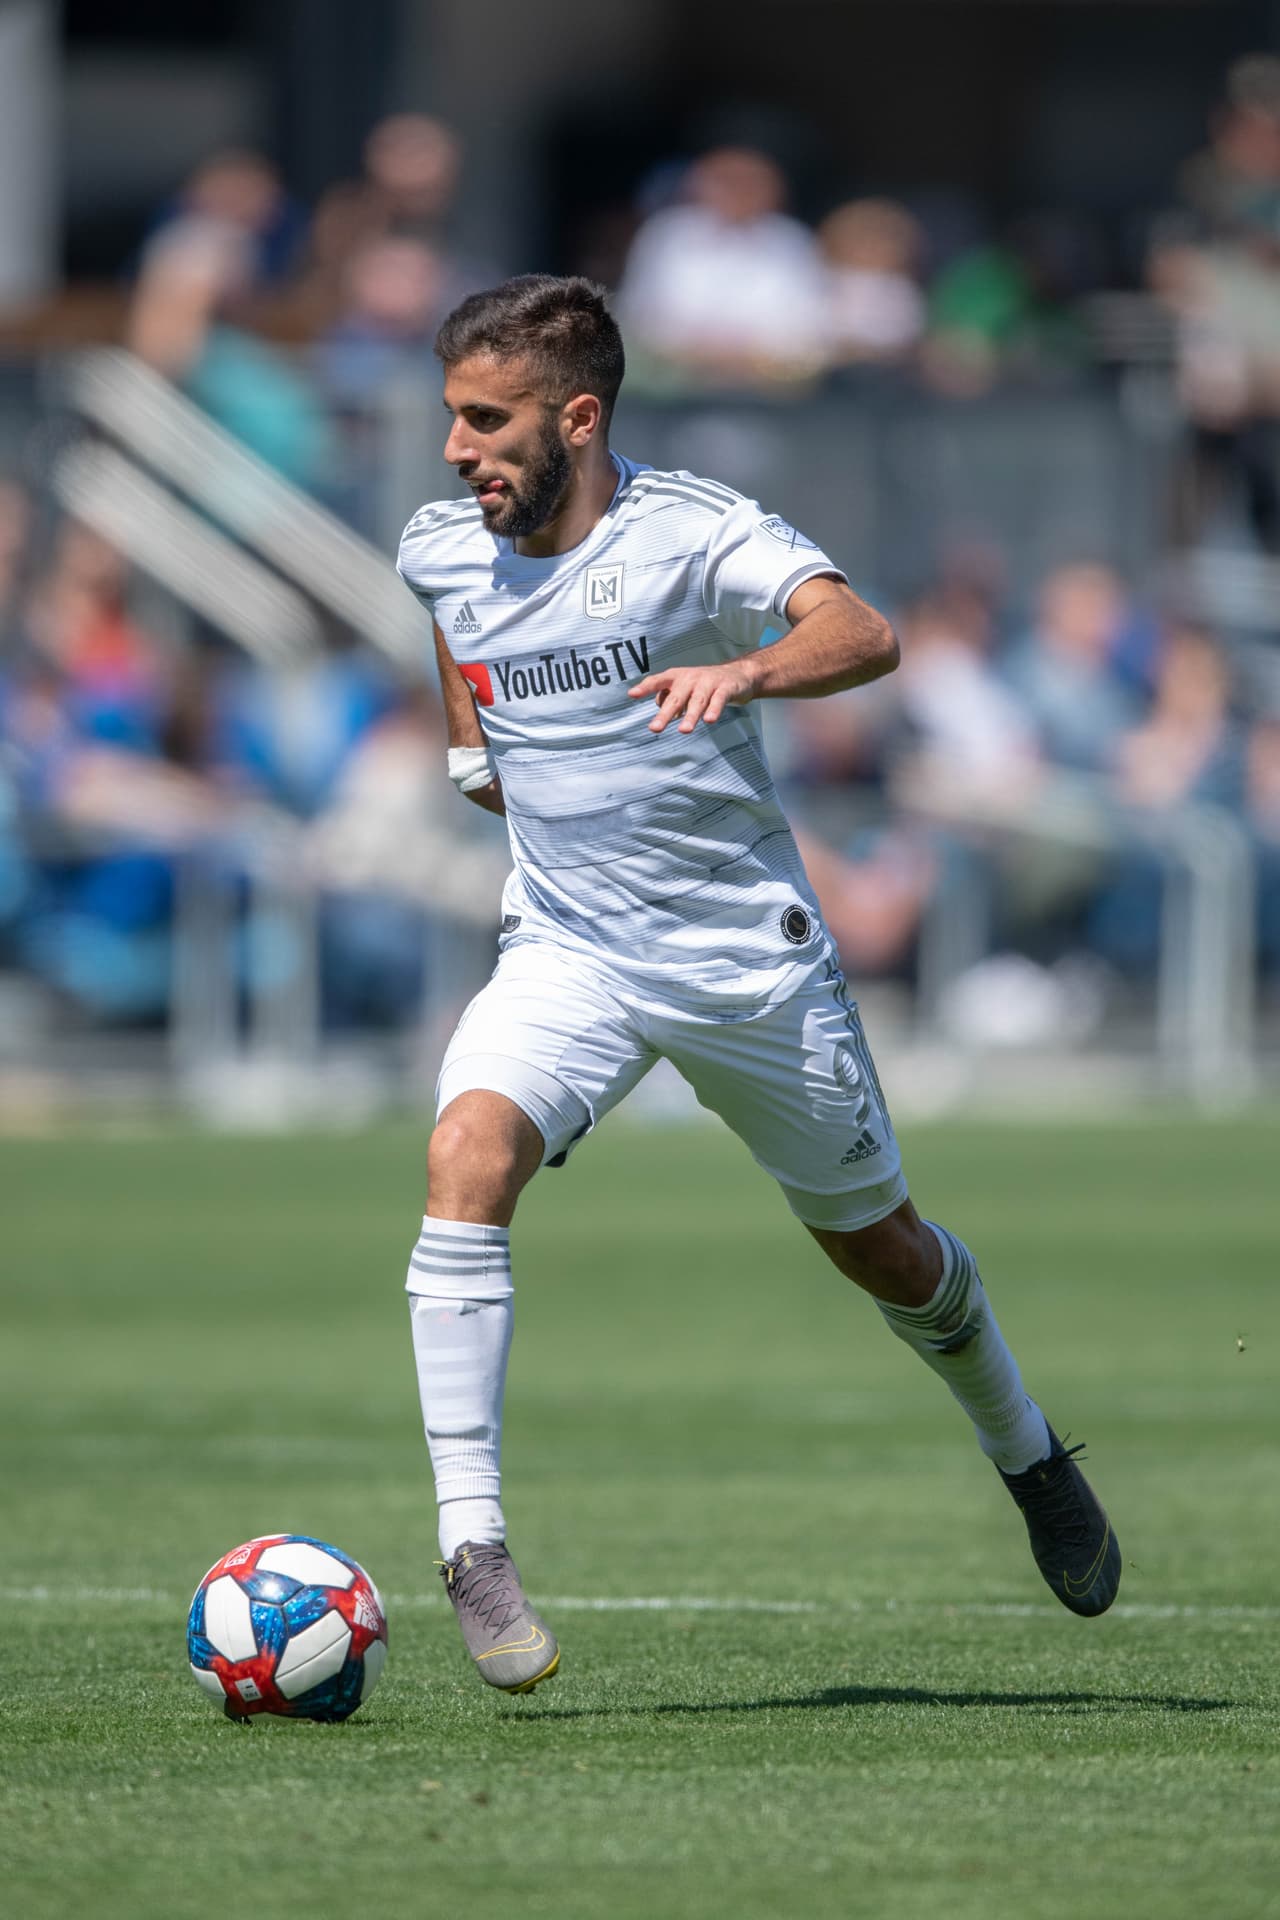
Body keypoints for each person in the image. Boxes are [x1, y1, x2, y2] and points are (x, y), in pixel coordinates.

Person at [396, 274, 1121, 1695]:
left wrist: (749, 675)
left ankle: (1027, 1451)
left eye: (486, 420)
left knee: (885, 1252)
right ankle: (471, 1546)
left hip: (743, 962)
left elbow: (863, 631)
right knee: (464, 1158)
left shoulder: (694, 530)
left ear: (579, 416)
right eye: (450, 418)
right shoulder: (441, 547)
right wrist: (469, 759)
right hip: (569, 952)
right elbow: (456, 637)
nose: (456, 448)